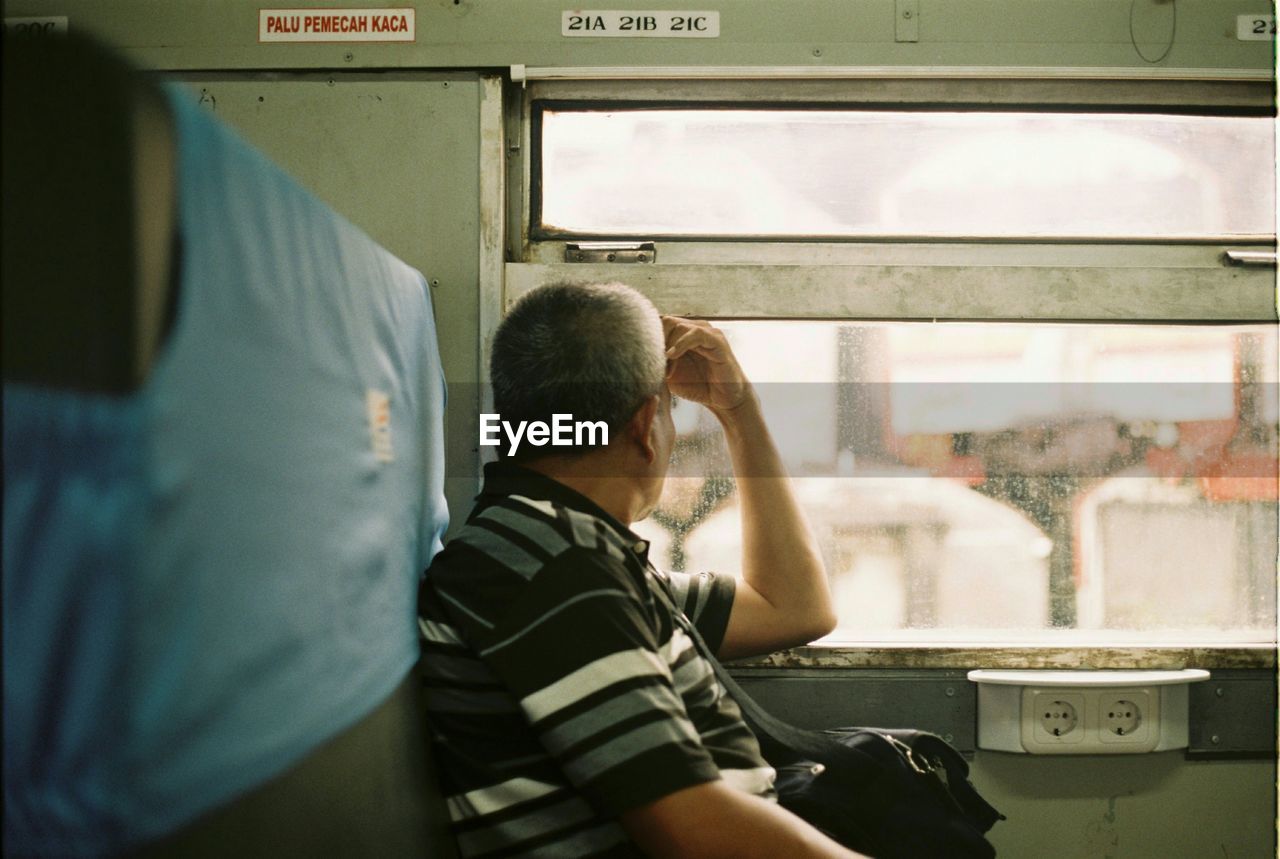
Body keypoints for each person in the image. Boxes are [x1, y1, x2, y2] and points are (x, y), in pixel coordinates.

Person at [419, 281, 866, 858]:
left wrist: (740, 411)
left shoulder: (563, 548)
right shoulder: (555, 570)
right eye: (670, 414)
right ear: (644, 427)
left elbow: (796, 608)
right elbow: (692, 830)